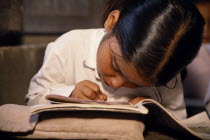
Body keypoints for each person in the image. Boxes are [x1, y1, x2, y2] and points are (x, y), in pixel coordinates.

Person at [25, 0, 204, 121]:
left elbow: (179, 120)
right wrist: (69, 94)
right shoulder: (70, 45)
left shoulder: (165, 73)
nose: (116, 82)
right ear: (111, 21)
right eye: (115, 66)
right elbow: (32, 100)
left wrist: (155, 114)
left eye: (135, 83)